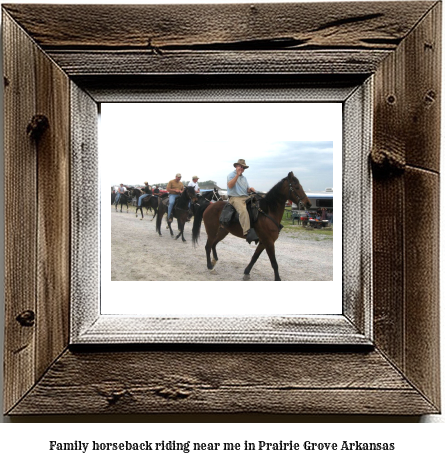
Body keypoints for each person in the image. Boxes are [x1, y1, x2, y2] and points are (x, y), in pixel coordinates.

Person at [227, 158, 257, 242]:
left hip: (245, 196)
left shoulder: (244, 178)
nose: (242, 169)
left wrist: (250, 189)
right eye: (241, 167)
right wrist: (237, 175)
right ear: (236, 166)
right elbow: (230, 186)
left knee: (258, 201)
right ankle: (247, 232)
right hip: (235, 197)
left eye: (244, 168)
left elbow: (246, 190)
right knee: (243, 211)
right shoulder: (231, 175)